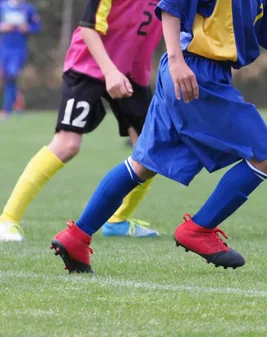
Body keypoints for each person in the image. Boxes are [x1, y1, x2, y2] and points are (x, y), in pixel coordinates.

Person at [49, 0, 267, 273]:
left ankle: (77, 236)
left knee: (144, 164)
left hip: (189, 69)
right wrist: (177, 61)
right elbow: (172, 6)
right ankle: (199, 229)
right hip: (195, 72)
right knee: (265, 156)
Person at [0, 0, 163, 242]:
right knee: (67, 145)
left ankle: (118, 221)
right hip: (88, 67)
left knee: (152, 152)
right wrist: (110, 72)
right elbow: (88, 29)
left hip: (131, 73)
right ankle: (7, 220)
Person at [0, 0, 39, 119]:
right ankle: (17, 99)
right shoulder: (2, 6)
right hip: (4, 48)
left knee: (12, 75)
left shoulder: (28, 8)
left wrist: (28, 28)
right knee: (6, 77)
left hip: (19, 49)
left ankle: (6, 110)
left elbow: (36, 26)